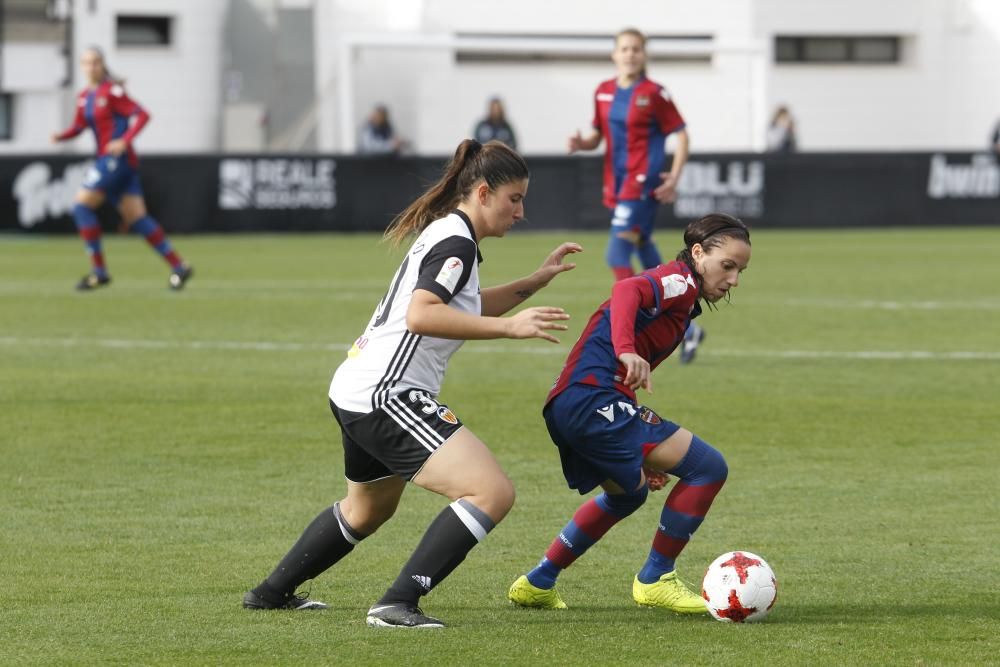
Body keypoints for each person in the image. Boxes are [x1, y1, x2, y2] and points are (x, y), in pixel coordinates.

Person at [243, 139, 583, 629]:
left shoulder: (451, 233)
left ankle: (270, 593)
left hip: (358, 386)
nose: (521, 211)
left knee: (366, 510)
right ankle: (396, 603)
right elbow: (423, 315)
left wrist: (534, 281)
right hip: (388, 393)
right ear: (483, 193)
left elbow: (464, 306)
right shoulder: (457, 242)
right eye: (515, 199)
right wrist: (511, 328)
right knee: (491, 492)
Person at [507, 213, 751, 615]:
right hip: (590, 400)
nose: (733, 280)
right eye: (727, 266)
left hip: (572, 403)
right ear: (697, 253)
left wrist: (638, 446)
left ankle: (538, 581)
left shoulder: (685, 299)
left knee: (629, 494)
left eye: (740, 271)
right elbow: (627, 290)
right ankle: (656, 578)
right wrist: (625, 349)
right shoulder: (680, 280)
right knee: (708, 468)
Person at [567, 28, 704, 364]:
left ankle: (636, 318)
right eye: (624, 48)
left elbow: (682, 135)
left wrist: (675, 175)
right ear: (614, 54)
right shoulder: (603, 92)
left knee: (616, 254)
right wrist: (582, 144)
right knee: (643, 247)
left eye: (636, 49)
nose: (630, 54)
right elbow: (598, 135)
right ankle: (686, 323)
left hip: (642, 184)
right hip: (616, 182)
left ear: (644, 55)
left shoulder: (654, 93)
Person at [50, 46, 192, 291]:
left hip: (116, 160)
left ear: (102, 65)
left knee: (81, 206)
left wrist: (124, 140)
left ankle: (99, 271)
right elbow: (78, 126)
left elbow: (143, 115)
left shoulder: (112, 91)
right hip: (117, 164)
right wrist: (60, 137)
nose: (90, 67)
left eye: (95, 62)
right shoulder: (85, 96)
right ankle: (179, 266)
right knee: (137, 218)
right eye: (86, 62)